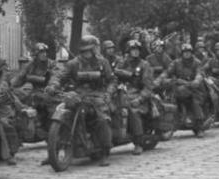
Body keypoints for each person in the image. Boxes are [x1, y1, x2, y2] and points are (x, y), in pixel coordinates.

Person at [45, 35, 116, 166]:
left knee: (102, 118)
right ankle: (53, 151)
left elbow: (112, 80)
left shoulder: (102, 62)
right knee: (60, 113)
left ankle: (104, 152)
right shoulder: (74, 63)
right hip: (77, 95)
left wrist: (108, 93)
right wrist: (53, 85)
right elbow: (60, 75)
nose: (89, 52)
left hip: (97, 95)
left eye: (91, 49)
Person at [157, 42, 206, 137]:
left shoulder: (197, 62)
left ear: (191, 53)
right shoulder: (176, 62)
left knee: (195, 102)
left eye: (188, 52)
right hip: (179, 86)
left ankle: (200, 128)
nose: (186, 54)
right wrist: (159, 80)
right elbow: (167, 72)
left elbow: (199, 73)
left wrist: (196, 81)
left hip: (194, 88)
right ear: (182, 53)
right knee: (169, 96)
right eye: (185, 52)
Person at [115, 40, 154, 155]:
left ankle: (138, 142)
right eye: (133, 50)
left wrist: (140, 99)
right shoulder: (122, 63)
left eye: (137, 50)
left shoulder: (144, 65)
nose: (135, 52)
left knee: (133, 110)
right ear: (128, 51)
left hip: (138, 94)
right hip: (122, 92)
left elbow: (148, 87)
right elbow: (114, 77)